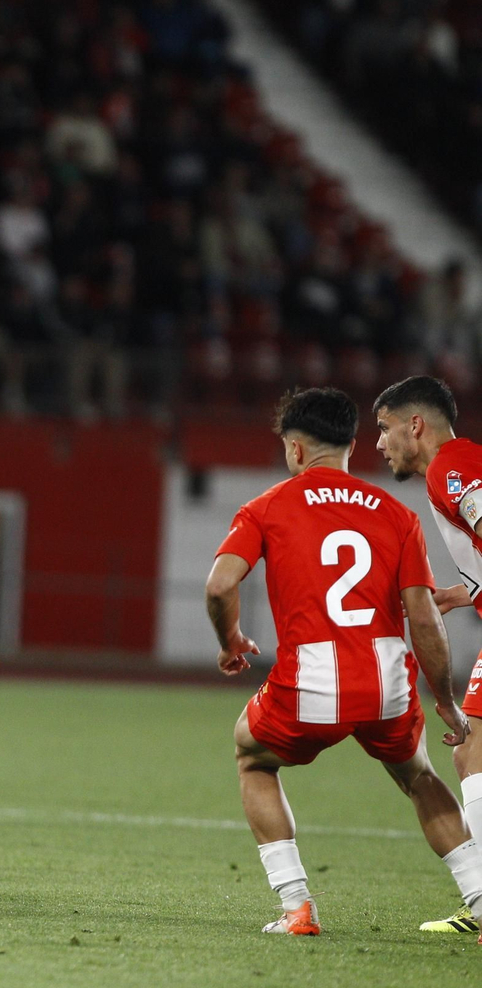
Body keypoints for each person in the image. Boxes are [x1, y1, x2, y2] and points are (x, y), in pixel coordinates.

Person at [205, 387, 482, 937]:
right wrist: (445, 700)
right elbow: (423, 621)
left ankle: (297, 908)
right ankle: (478, 895)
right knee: (422, 775)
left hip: (308, 681)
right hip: (387, 685)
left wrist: (231, 639)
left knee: (252, 756)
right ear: (351, 446)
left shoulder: (268, 506)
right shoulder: (395, 512)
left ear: (296, 450)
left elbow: (219, 587)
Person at [373, 375, 482, 934]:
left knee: (473, 753)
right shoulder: (457, 464)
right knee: (470, 755)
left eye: (385, 428)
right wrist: (469, 591)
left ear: (416, 425)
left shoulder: (451, 465)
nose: (379, 443)